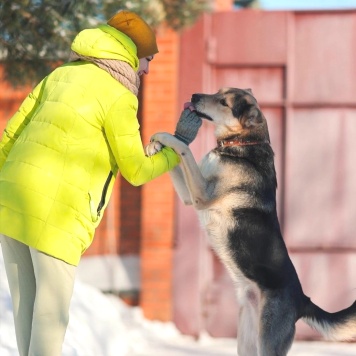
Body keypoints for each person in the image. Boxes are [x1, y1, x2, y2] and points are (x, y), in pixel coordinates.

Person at [0, 10, 202, 356]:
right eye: (147, 59)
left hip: (11, 201)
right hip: (57, 216)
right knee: (49, 321)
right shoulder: (119, 96)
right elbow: (136, 170)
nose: (148, 69)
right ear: (128, 52)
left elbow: (9, 137)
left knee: (27, 312)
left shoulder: (60, 75)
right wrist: (179, 146)